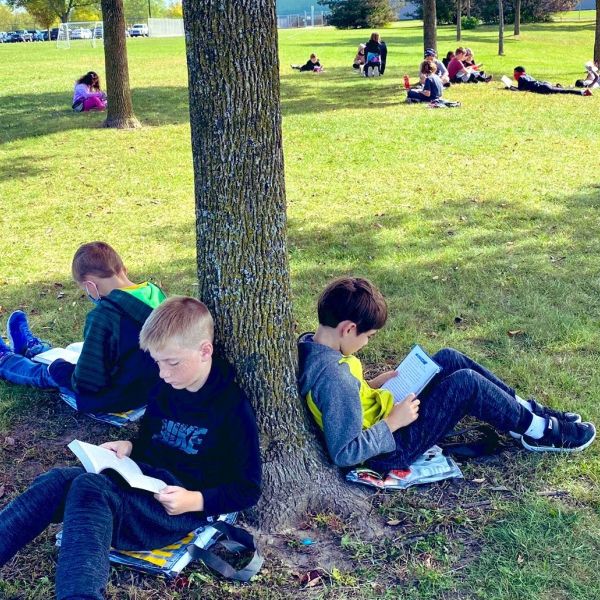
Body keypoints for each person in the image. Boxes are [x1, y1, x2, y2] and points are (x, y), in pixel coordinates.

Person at [0, 296, 261, 599]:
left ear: (205, 351)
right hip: (143, 484)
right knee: (59, 480)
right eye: (158, 363)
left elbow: (248, 488)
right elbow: (151, 441)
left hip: (174, 511)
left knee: (90, 488)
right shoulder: (166, 386)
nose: (163, 373)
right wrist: (129, 446)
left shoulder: (232, 408)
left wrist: (194, 500)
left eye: (172, 363)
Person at [298, 277, 596, 474]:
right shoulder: (335, 379)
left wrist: (372, 385)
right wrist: (393, 422)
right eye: (369, 336)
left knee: (448, 358)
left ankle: (525, 411)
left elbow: (345, 403)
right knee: (464, 383)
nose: (367, 343)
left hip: (387, 415)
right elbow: (346, 452)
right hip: (390, 449)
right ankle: (538, 431)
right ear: (348, 328)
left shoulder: (314, 346)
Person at [0, 241, 166, 414]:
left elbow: (86, 382)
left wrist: (58, 368)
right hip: (147, 383)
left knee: (51, 372)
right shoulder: (154, 292)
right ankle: (34, 350)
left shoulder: (104, 316)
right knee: (78, 355)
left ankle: (6, 361)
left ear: (90, 286)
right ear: (123, 269)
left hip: (119, 396)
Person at [512, 66, 592, 96]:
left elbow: (520, 90)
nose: (514, 74)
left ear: (518, 72)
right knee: (563, 90)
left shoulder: (521, 78)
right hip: (544, 84)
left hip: (544, 88)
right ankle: (583, 91)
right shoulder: (527, 75)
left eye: (515, 72)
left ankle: (583, 92)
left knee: (564, 91)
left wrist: (510, 88)